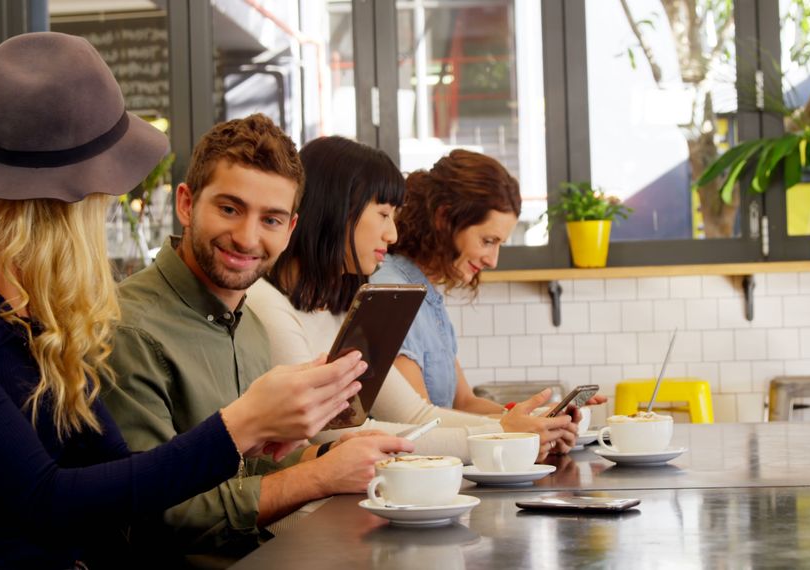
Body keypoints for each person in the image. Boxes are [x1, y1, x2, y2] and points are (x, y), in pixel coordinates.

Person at [0, 32, 368, 568]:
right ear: (72, 199)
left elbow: (113, 468)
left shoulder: (27, 296)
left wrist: (253, 437)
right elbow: (43, 500)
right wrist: (241, 424)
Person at [102, 115, 412, 566]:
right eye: (229, 208)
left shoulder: (248, 324)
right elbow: (154, 514)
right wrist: (320, 476)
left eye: (270, 219)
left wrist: (326, 453)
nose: (248, 237)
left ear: (290, 230)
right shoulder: (131, 329)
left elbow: (246, 472)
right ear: (186, 204)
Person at [246, 136, 575, 462]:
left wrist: (510, 428)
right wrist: (501, 434)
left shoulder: (341, 302)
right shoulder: (267, 303)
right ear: (338, 208)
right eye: (383, 214)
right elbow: (329, 434)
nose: (392, 234)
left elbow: (415, 414)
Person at [369, 150, 605, 454]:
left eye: (499, 244)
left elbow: (464, 403)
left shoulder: (426, 295)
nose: (493, 260)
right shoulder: (392, 291)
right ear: (444, 218)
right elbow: (421, 420)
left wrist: (538, 424)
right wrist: (518, 432)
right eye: (487, 241)